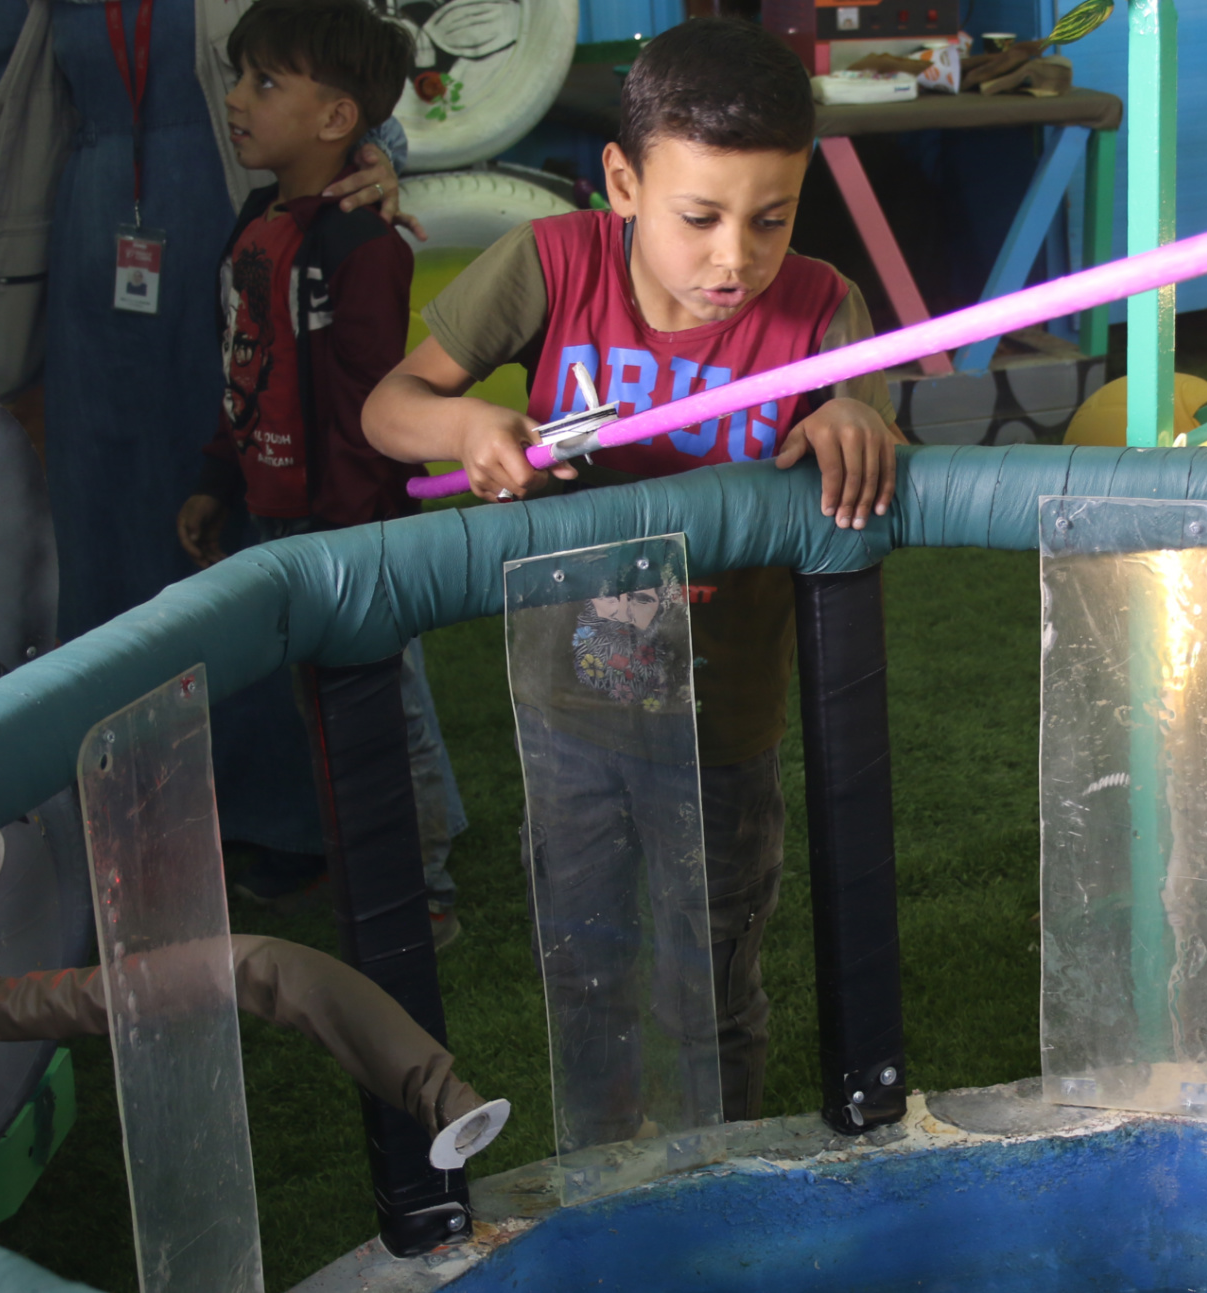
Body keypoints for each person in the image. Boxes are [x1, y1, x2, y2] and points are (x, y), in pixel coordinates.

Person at [360, 17, 902, 1124]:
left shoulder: (820, 309)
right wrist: (466, 423)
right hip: (567, 713)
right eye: (697, 217)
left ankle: (724, 1191)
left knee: (709, 994)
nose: (733, 259)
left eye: (771, 217)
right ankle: (599, 1188)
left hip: (723, 728)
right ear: (620, 180)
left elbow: (869, 440)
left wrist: (854, 415)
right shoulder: (550, 263)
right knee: (587, 982)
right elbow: (387, 409)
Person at [0, 0, 428, 880]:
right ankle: (127, 807)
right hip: (91, 234)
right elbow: (14, 102)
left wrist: (375, 158)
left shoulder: (285, 188)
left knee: (265, 488)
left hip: (230, 212)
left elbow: (337, 72)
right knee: (105, 510)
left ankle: (284, 813)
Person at [168, 0, 469, 947]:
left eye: (264, 82)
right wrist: (222, 477)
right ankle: (390, 859)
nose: (236, 99)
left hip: (349, 529)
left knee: (385, 707)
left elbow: (371, 402)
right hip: (280, 516)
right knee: (333, 706)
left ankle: (421, 888)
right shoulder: (258, 221)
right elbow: (247, 363)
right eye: (241, 76)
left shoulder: (363, 245)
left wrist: (345, 525)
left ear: (338, 119)